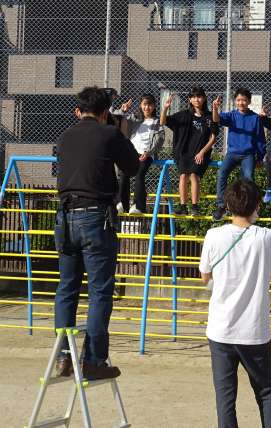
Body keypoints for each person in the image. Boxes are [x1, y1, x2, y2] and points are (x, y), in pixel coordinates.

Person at [54, 86, 139, 380]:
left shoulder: (65, 136)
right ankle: (93, 360)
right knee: (100, 291)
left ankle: (63, 357)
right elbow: (132, 166)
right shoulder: (109, 133)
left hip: (65, 216)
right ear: (105, 113)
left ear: (78, 111)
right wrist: (117, 130)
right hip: (95, 217)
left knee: (67, 288)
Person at [200, 178, 271, 428]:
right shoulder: (268, 237)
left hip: (221, 329)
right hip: (254, 331)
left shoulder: (213, 235)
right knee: (265, 391)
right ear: (257, 205)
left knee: (225, 397)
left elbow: (205, 276)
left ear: (227, 205)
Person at [160, 86, 218, 216]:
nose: (196, 99)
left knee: (194, 176)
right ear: (189, 99)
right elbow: (163, 122)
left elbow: (213, 137)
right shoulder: (183, 115)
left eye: (199, 96)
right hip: (184, 153)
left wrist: (202, 152)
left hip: (200, 153)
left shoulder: (209, 116)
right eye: (193, 97)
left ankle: (195, 207)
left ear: (204, 98)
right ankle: (183, 207)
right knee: (183, 176)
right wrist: (165, 108)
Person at [212, 87, 266, 221]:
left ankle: (249, 207)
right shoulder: (231, 115)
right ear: (235, 101)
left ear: (249, 101)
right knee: (221, 173)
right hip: (232, 153)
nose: (241, 103)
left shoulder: (255, 118)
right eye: (238, 100)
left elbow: (260, 139)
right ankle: (221, 205)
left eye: (244, 100)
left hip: (248, 155)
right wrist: (215, 108)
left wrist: (260, 157)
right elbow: (216, 119)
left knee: (248, 179)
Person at [111, 94, 165, 214]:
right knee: (123, 173)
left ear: (154, 106)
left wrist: (149, 152)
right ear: (140, 105)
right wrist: (123, 110)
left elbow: (160, 140)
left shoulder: (157, 121)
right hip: (131, 152)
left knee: (139, 174)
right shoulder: (135, 118)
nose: (147, 107)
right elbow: (113, 117)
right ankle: (122, 204)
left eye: (150, 105)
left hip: (146, 154)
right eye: (144, 104)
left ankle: (138, 206)